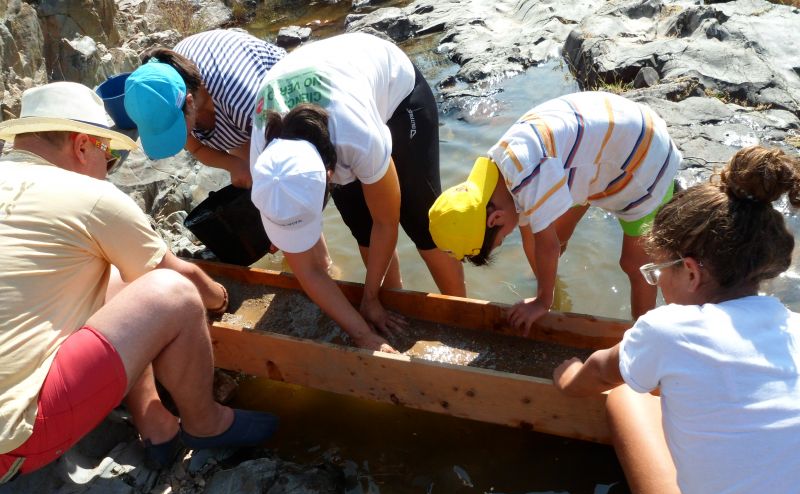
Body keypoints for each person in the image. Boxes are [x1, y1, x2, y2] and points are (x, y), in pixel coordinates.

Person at [0, 82, 278, 483]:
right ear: (82, 147)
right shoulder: (88, 195)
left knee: (108, 273)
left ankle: (156, 423)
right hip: (15, 442)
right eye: (109, 155)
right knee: (173, 292)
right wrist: (219, 301)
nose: (109, 167)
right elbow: (178, 277)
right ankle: (206, 422)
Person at [552, 145, 800, 494]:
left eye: (657, 272)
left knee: (625, 394)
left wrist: (566, 379)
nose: (657, 283)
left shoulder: (668, 329)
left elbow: (600, 372)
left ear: (689, 272)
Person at [248, 32, 466, 351]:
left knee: (424, 223)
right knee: (361, 229)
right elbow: (306, 267)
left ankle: (463, 319)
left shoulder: (357, 137)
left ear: (329, 174)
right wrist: (362, 330)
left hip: (397, 95)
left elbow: (386, 222)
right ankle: (392, 310)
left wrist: (369, 295)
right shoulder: (266, 166)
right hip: (324, 96)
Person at [429, 91, 682, 333]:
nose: (507, 237)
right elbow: (535, 238)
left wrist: (543, 301)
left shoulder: (528, 175)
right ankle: (549, 284)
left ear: (495, 218)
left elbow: (545, 246)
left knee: (636, 264)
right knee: (554, 237)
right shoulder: (498, 176)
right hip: (597, 149)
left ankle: (642, 336)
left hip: (643, 160)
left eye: (503, 238)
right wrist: (544, 285)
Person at [123, 29, 286, 188]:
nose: (183, 140)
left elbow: (292, 151)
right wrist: (234, 165)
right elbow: (197, 148)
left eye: (181, 132)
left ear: (189, 102)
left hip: (288, 97)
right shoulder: (165, 96)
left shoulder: (241, 100)